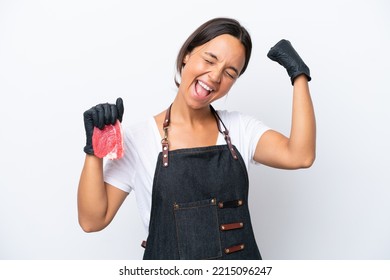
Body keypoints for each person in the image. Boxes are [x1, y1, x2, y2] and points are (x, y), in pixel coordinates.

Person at [77, 17, 316, 260]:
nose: (214, 76)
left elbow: (300, 155)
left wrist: (299, 75)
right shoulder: (139, 139)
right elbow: (92, 221)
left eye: (229, 73)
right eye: (209, 60)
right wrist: (94, 151)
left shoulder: (240, 129)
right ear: (187, 55)